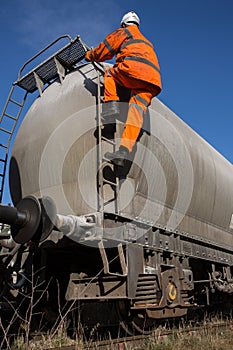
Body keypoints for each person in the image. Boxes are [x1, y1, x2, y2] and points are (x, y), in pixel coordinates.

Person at [85, 11, 162, 166]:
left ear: (123, 24)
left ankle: (111, 106)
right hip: (152, 81)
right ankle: (123, 151)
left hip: (132, 69)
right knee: (136, 113)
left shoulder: (125, 32)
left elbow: (104, 50)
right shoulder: (147, 42)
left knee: (110, 74)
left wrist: (90, 56)